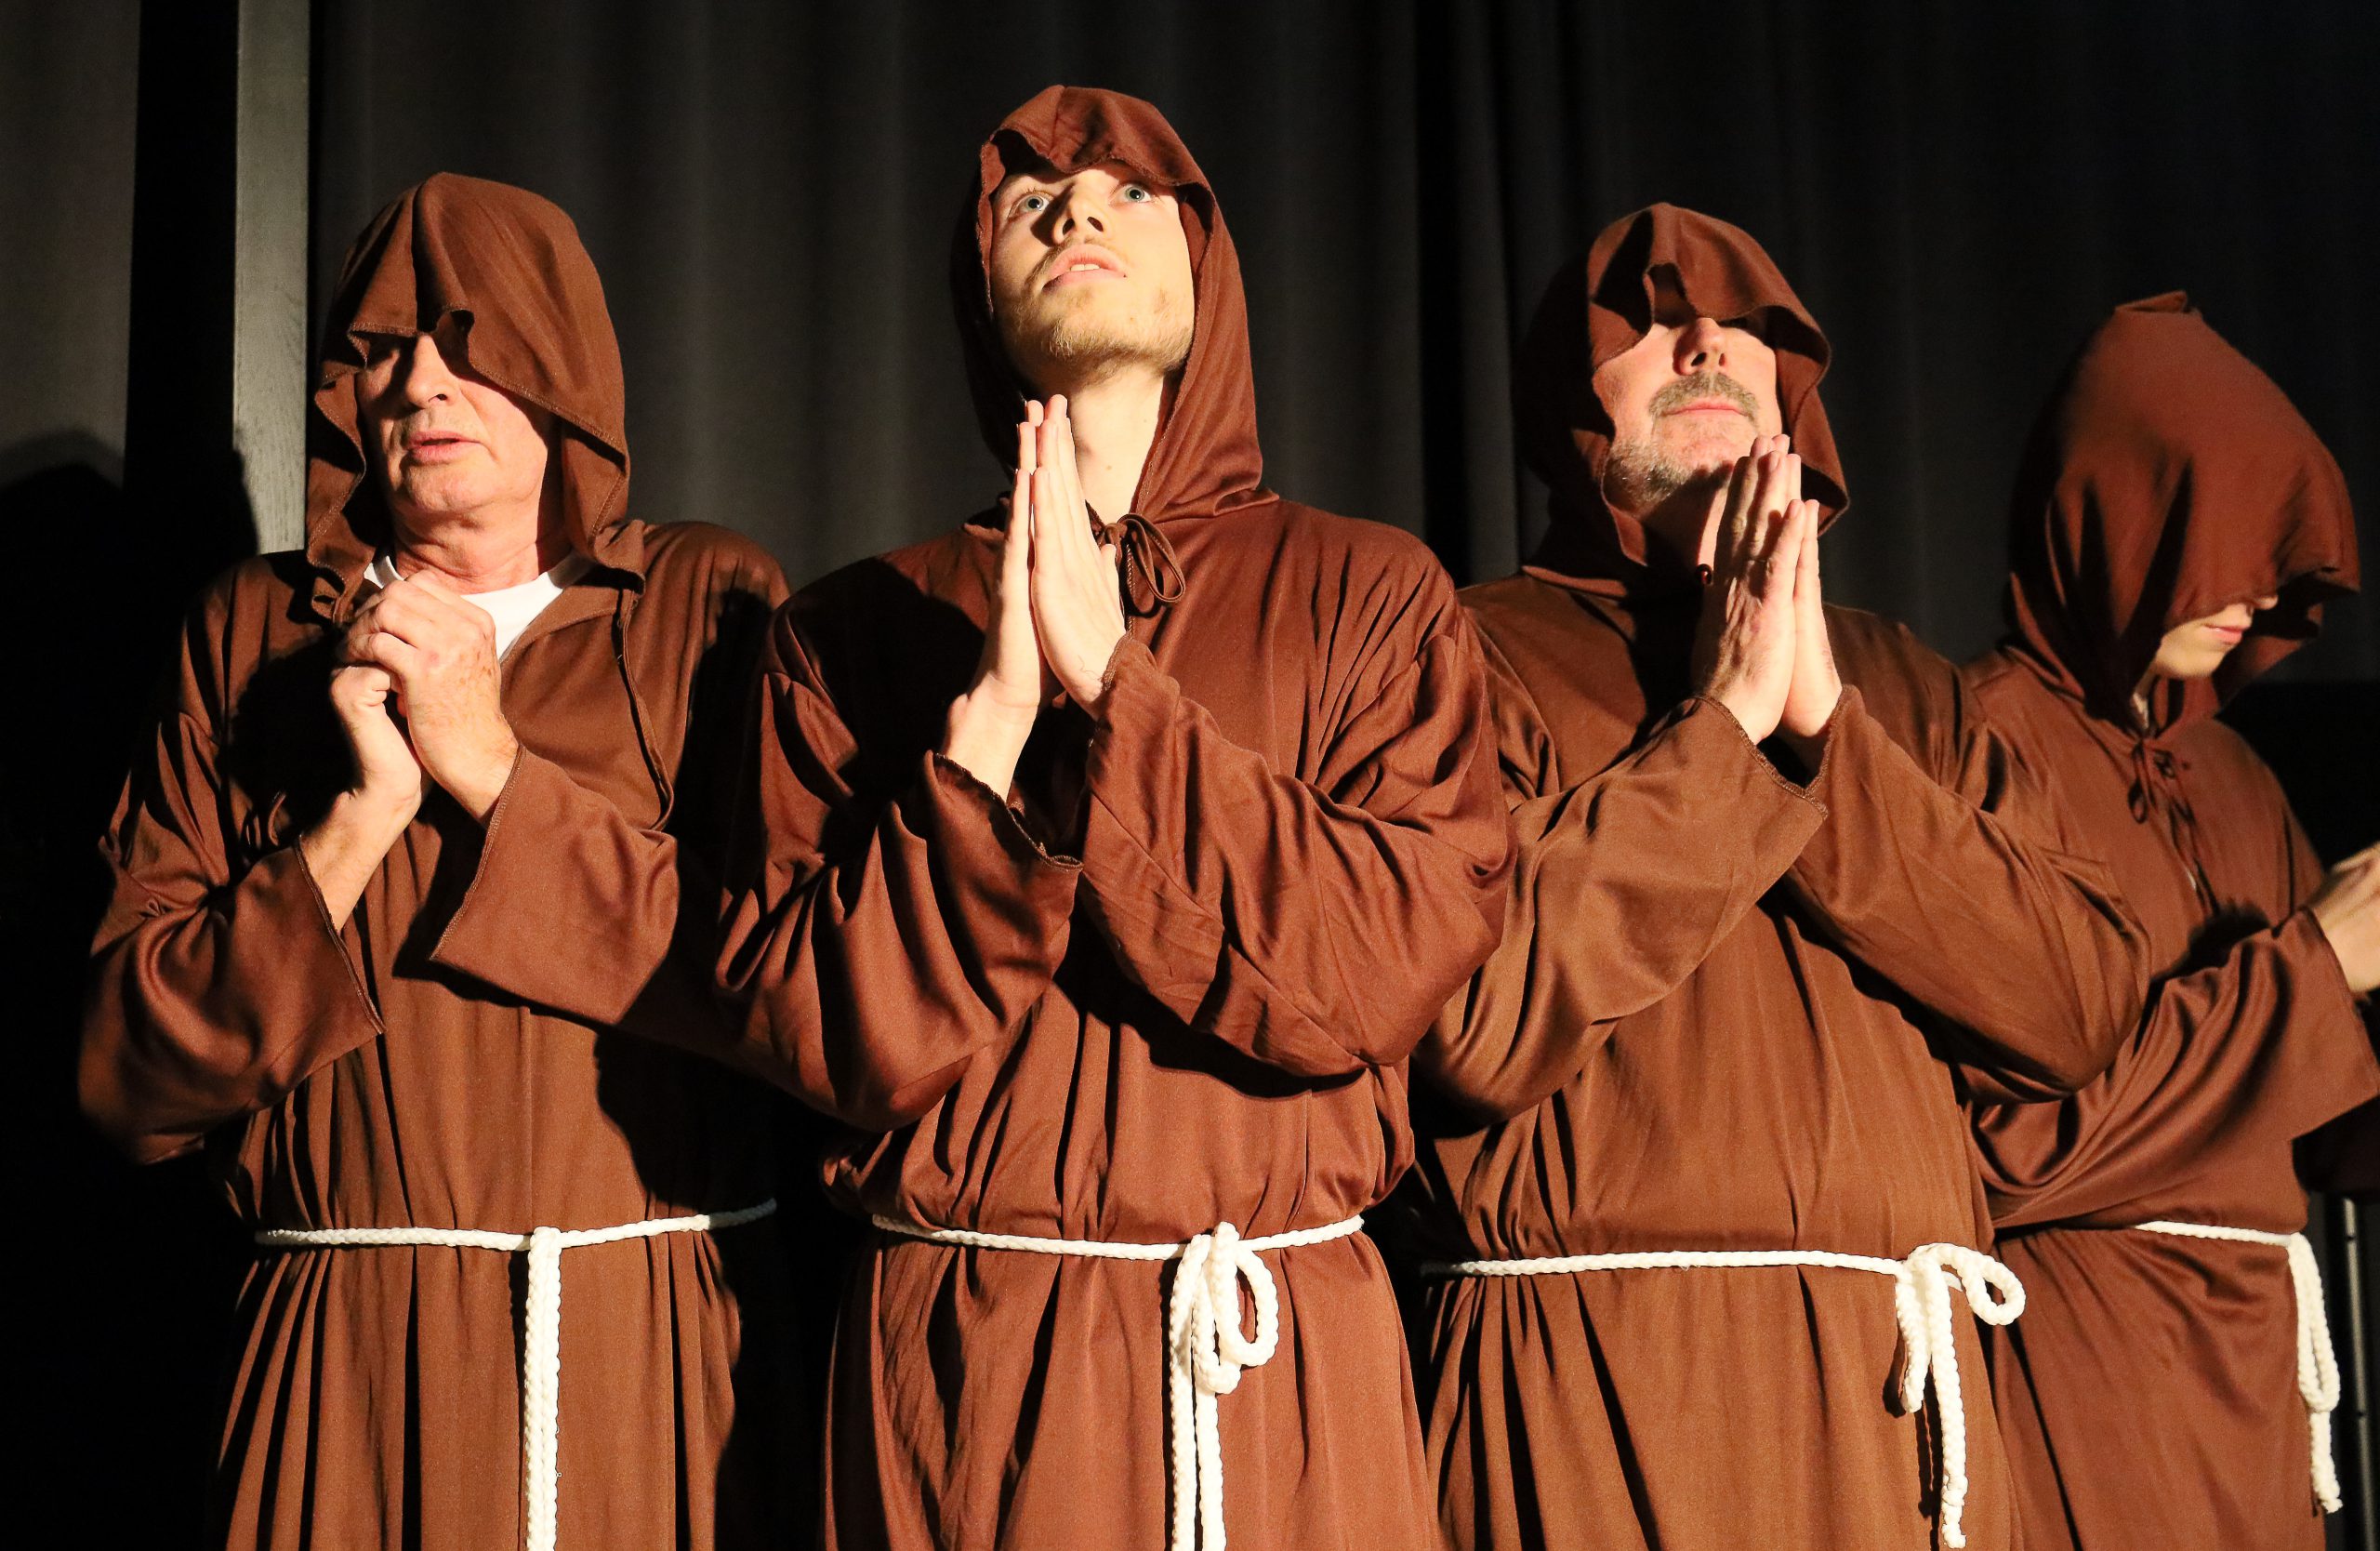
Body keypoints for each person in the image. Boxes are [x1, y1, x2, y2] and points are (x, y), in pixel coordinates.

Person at [716, 86, 1512, 1550]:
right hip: (967, 1366)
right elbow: (828, 1038)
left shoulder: (1372, 592)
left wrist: (1112, 688)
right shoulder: (846, 632)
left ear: (1207, 265)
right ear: (981, 291)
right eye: (1030, 205)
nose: (1077, 209)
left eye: (1130, 192)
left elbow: (1379, 971)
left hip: (1282, 1362)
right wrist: (986, 741)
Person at [1401, 205, 2149, 1550]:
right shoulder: (1460, 652)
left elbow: (2077, 1006)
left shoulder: (1909, 682)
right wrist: (1726, 728)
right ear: (1571, 393)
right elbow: (1475, 1021)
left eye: (1748, 326)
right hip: (1594, 1386)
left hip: (1896, 1409)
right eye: (1651, 320)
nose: (1706, 341)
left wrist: (1823, 733)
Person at [82, 175, 800, 1551]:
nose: (419, 384)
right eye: (382, 351)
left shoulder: (704, 604)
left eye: (466, 340)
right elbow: (131, 1079)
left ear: (562, 364)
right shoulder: (250, 632)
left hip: (638, 1350)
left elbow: (793, 993)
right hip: (341, 1364)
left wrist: (492, 769)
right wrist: (356, 823)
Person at [1964, 293, 2377, 1550]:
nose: (2256, 582)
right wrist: (2317, 967)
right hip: (2093, 1347)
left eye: (2273, 541)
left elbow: (2325, 1128)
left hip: (2256, 1369)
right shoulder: (1978, 743)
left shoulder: (2237, 776)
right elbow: (2008, 1149)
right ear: (2117, 513)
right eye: (2219, 533)